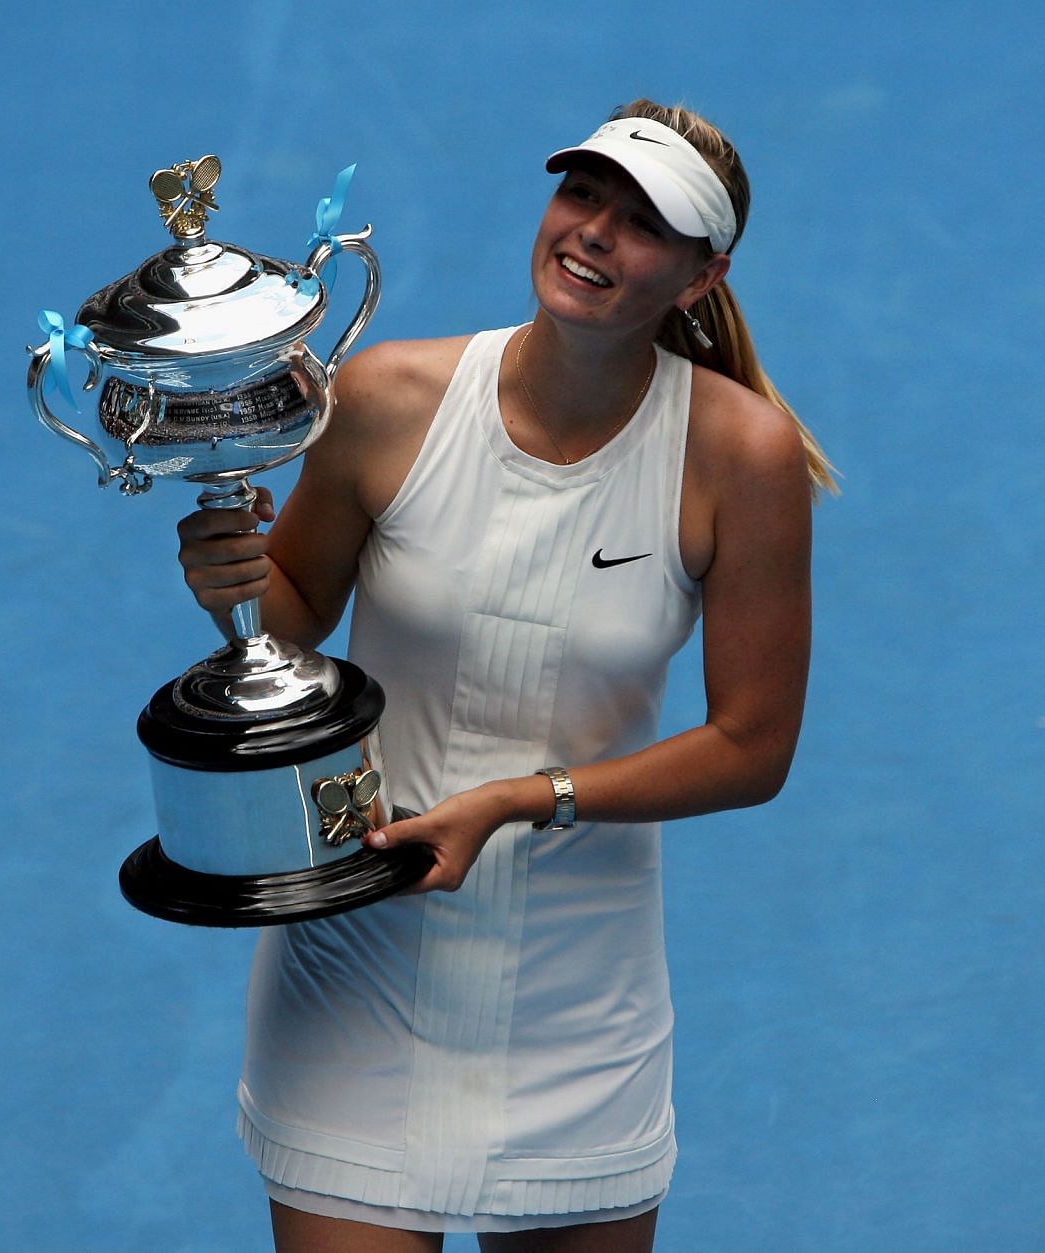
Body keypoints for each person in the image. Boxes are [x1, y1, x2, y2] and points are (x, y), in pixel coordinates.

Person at [175, 99, 836, 1253]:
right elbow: (288, 622)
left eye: (643, 225)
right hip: (355, 967)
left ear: (699, 275)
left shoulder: (742, 456)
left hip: (579, 1002)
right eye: (583, 196)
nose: (593, 234)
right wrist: (230, 581)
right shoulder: (384, 401)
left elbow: (754, 747)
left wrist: (524, 799)